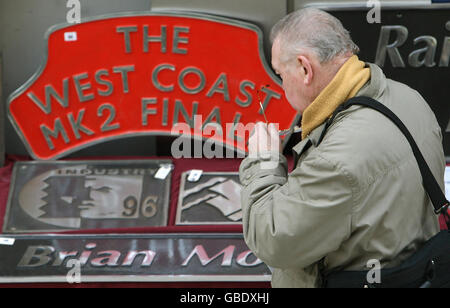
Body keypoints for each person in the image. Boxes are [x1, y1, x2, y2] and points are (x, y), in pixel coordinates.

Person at [239, 8, 446, 288]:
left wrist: (263, 160)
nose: (281, 84)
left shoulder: (338, 159)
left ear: (304, 68)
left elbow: (273, 240)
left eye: (280, 73)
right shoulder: (409, 97)